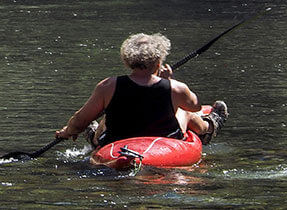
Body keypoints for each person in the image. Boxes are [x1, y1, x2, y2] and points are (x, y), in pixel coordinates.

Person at [55, 32, 228, 148]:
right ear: (158, 62)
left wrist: (67, 132)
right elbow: (196, 107)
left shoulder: (107, 86)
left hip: (117, 141)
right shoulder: (176, 88)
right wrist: (169, 81)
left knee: (106, 116)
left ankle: (95, 138)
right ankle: (209, 127)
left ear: (127, 61)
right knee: (185, 112)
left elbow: (79, 121)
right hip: (164, 143)